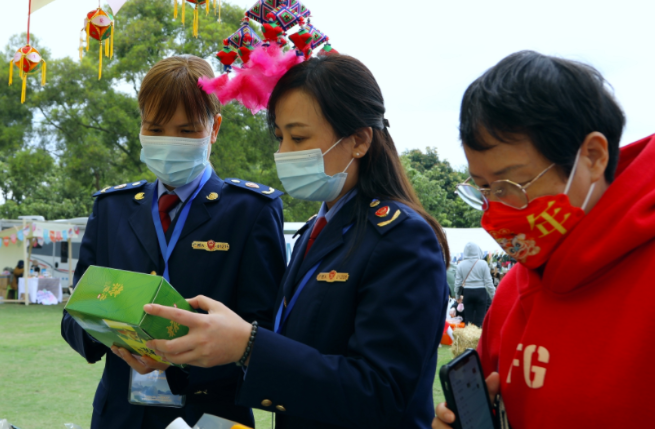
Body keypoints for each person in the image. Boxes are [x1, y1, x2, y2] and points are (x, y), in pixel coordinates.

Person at [144, 54, 450, 429]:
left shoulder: (402, 238)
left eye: (299, 137)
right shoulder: (315, 232)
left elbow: (381, 392)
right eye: (280, 137)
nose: (284, 153)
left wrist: (248, 346)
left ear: (358, 140)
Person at [433, 50, 655, 428]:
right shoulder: (513, 289)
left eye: (510, 184)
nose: (496, 211)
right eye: (482, 189)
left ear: (592, 157)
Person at [61, 55, 286, 429]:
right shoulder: (112, 208)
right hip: (120, 416)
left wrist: (183, 360)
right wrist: (110, 338)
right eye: (156, 127)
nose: (169, 141)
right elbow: (74, 313)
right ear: (141, 128)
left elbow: (266, 332)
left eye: (186, 130)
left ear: (214, 128)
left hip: (211, 416)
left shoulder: (250, 211)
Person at [454, 242, 494, 327]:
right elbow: (488, 282)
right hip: (481, 292)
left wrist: (457, 296)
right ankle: (479, 338)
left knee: (468, 320)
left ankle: (468, 338)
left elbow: (457, 283)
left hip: (467, 292)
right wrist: (494, 295)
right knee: (480, 320)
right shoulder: (483, 263)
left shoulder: (460, 265)